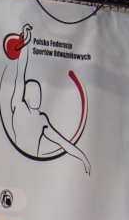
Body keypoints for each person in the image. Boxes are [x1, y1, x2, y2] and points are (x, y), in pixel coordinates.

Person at [7, 24, 91, 173]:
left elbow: (64, 143)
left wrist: (83, 158)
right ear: (26, 95)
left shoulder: (42, 120)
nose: (38, 96)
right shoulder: (18, 106)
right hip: (15, 166)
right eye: (34, 93)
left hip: (32, 170)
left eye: (39, 93)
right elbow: (21, 72)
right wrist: (25, 44)